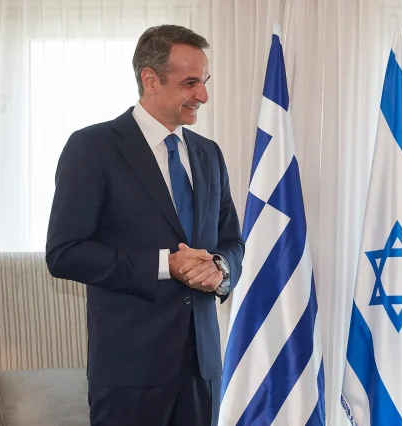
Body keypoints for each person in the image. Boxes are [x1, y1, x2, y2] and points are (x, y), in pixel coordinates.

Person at [46, 25, 244, 426]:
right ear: (150, 80)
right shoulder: (92, 147)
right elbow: (65, 253)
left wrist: (220, 268)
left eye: (204, 82)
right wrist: (164, 266)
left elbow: (232, 242)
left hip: (202, 369)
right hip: (129, 371)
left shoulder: (209, 154)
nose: (203, 96)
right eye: (190, 83)